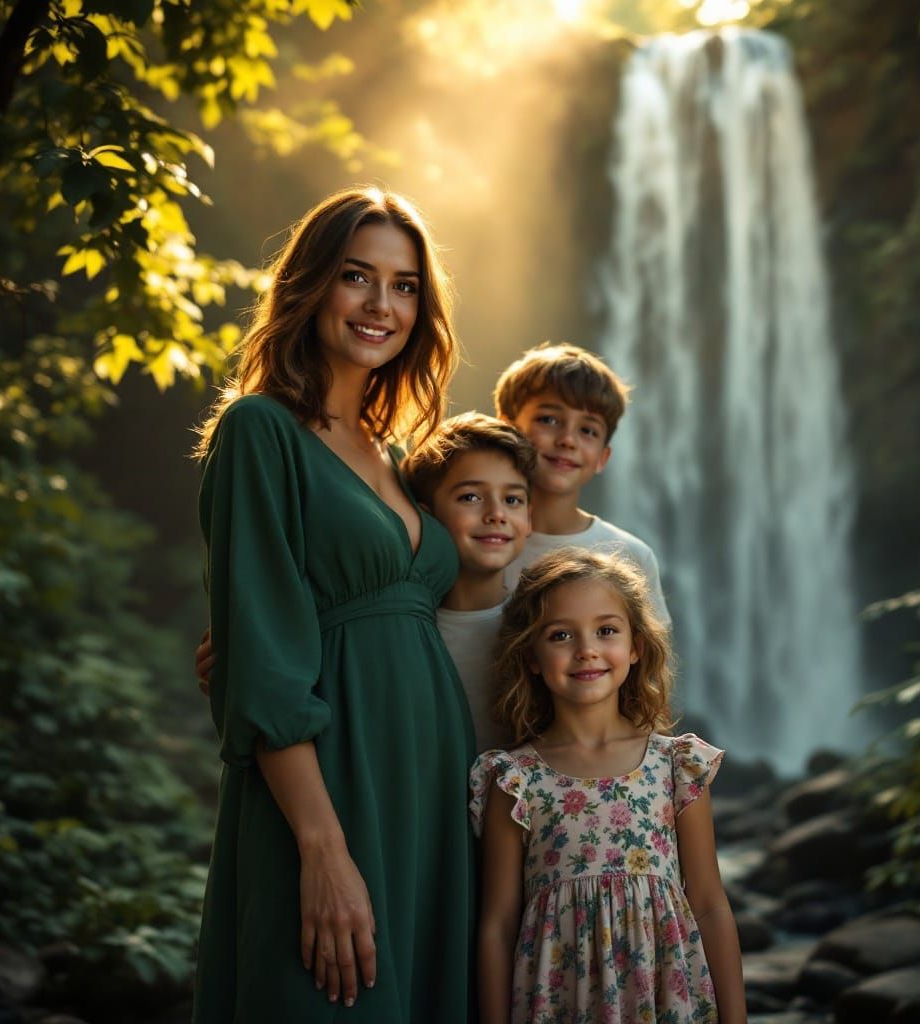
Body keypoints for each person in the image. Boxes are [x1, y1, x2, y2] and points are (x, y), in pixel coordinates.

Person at [192, 186, 474, 1023]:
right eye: (357, 276)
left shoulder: (399, 457)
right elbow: (269, 671)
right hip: (330, 792)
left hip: (428, 793)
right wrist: (322, 851)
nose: (381, 304)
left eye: (404, 286)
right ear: (309, 284)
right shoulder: (260, 432)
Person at [470, 550, 746, 1024]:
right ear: (531, 656)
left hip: (665, 999)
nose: (586, 650)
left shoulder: (676, 766)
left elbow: (709, 904)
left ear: (636, 646)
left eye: (606, 630)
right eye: (561, 635)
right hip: (560, 1003)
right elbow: (498, 924)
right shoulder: (514, 780)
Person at [493, 342, 671, 627]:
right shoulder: (481, 539)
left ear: (602, 457)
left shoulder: (631, 556)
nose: (567, 440)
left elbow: (649, 652)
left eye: (587, 430)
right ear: (507, 429)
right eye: (548, 419)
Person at [402, 412, 536, 751]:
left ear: (529, 519)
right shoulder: (405, 631)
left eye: (512, 500)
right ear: (425, 516)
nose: (496, 514)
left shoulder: (540, 624)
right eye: (471, 497)